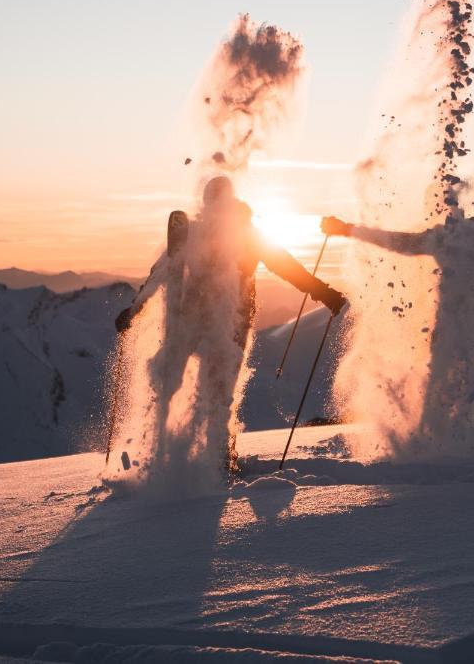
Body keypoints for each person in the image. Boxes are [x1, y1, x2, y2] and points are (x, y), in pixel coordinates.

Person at [116, 175, 346, 473]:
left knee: (199, 385)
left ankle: (201, 453)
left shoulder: (214, 233)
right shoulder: (232, 234)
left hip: (207, 320)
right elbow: (287, 266)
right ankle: (220, 457)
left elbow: (163, 272)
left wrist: (134, 310)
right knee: (220, 390)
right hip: (226, 323)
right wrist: (133, 311)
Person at [321, 193, 474, 455]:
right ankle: (461, 436)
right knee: (470, 377)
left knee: (444, 378)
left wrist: (346, 229)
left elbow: (395, 242)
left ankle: (437, 436)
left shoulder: (445, 236)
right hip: (473, 320)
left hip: (455, 321)